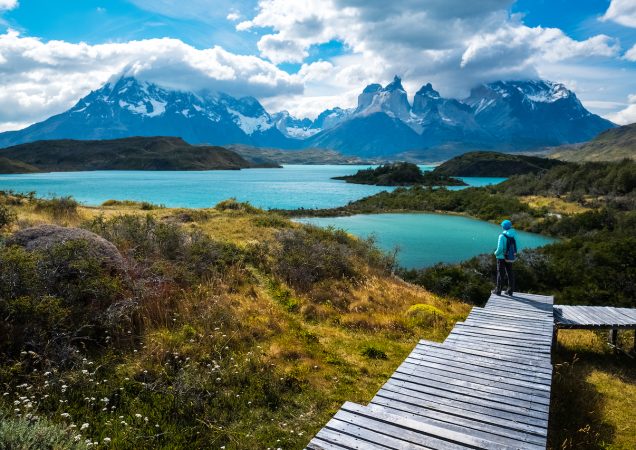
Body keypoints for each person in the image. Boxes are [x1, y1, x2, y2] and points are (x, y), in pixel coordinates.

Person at [493, 219, 518, 296]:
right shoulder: (515, 234)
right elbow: (516, 246)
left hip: (501, 257)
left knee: (501, 273)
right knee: (510, 272)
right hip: (510, 257)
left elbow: (500, 248)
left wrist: (495, 253)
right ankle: (510, 291)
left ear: (504, 227)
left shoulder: (502, 236)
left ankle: (498, 290)